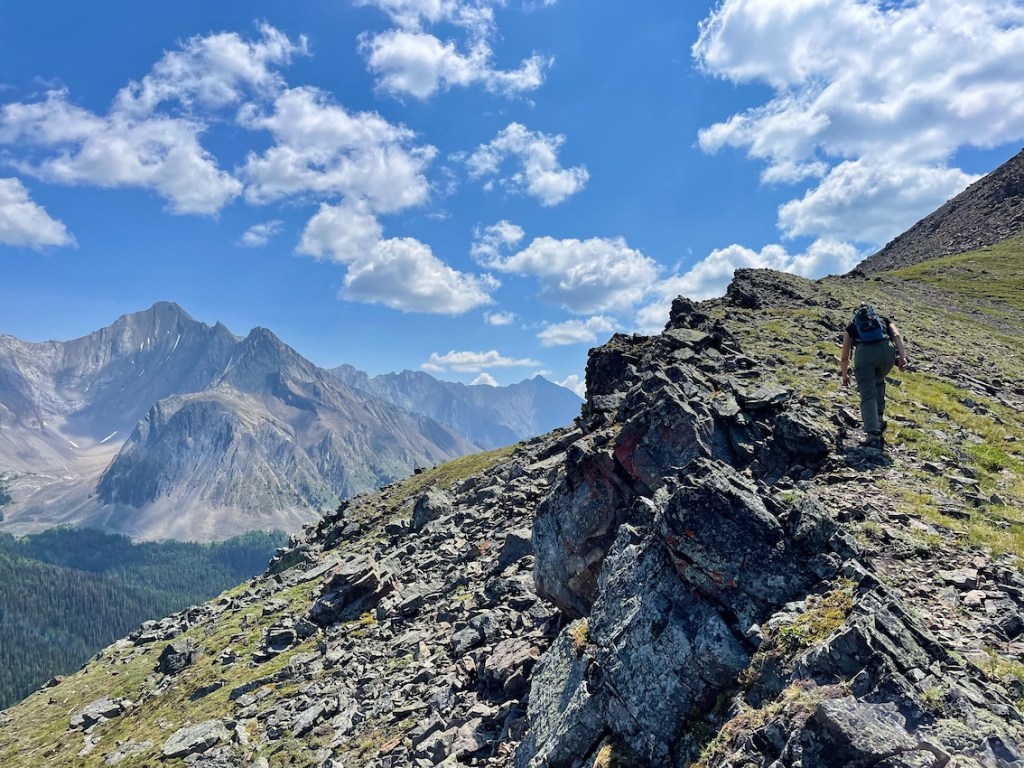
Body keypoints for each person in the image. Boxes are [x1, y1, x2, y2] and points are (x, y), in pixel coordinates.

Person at [840, 304, 909, 449]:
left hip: (864, 355)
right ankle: (879, 420)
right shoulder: (883, 320)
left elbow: (845, 356)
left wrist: (845, 375)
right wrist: (902, 358)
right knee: (878, 382)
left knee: (868, 395)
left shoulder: (851, 326)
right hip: (886, 353)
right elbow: (896, 335)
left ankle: (872, 434)